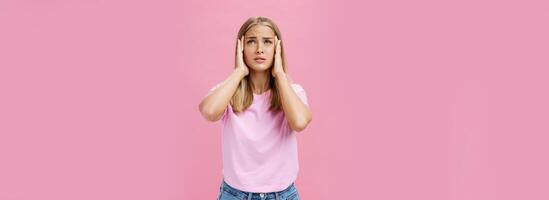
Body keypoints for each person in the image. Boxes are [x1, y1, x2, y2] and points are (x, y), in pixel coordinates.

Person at [199, 16, 312, 200]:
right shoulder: (228, 92)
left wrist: (280, 74)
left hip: (283, 195)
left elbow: (299, 122)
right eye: (251, 41)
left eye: (267, 42)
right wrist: (239, 71)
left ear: (277, 49)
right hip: (234, 195)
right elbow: (209, 112)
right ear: (241, 48)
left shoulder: (294, 92)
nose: (259, 49)